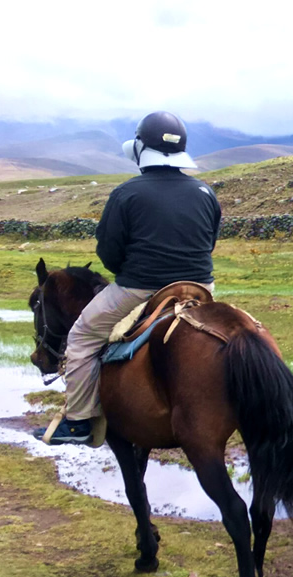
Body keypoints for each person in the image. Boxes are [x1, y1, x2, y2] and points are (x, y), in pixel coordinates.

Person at [36, 111, 222, 445]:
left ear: (140, 149)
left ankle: (78, 422)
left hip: (140, 289)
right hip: (200, 288)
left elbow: (108, 253)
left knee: (81, 337)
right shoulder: (205, 192)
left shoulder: (126, 194)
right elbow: (209, 243)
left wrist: (136, 269)